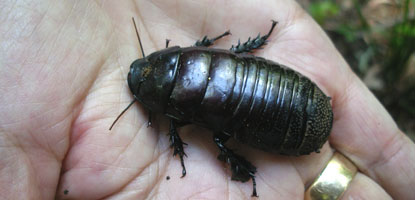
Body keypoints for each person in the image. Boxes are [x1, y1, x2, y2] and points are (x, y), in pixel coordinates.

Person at [0, 1, 413, 199]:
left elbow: (183, 125)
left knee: (219, 139)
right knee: (221, 125)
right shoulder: (197, 55)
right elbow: (227, 52)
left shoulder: (177, 114)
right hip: (271, 87)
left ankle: (243, 168)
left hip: (287, 103)